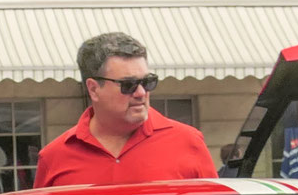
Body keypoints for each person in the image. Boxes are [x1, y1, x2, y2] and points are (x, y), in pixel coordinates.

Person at [36, 32, 215, 186]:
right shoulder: (54, 157)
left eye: (147, 82)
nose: (141, 92)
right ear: (93, 89)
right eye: (128, 84)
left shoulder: (188, 142)